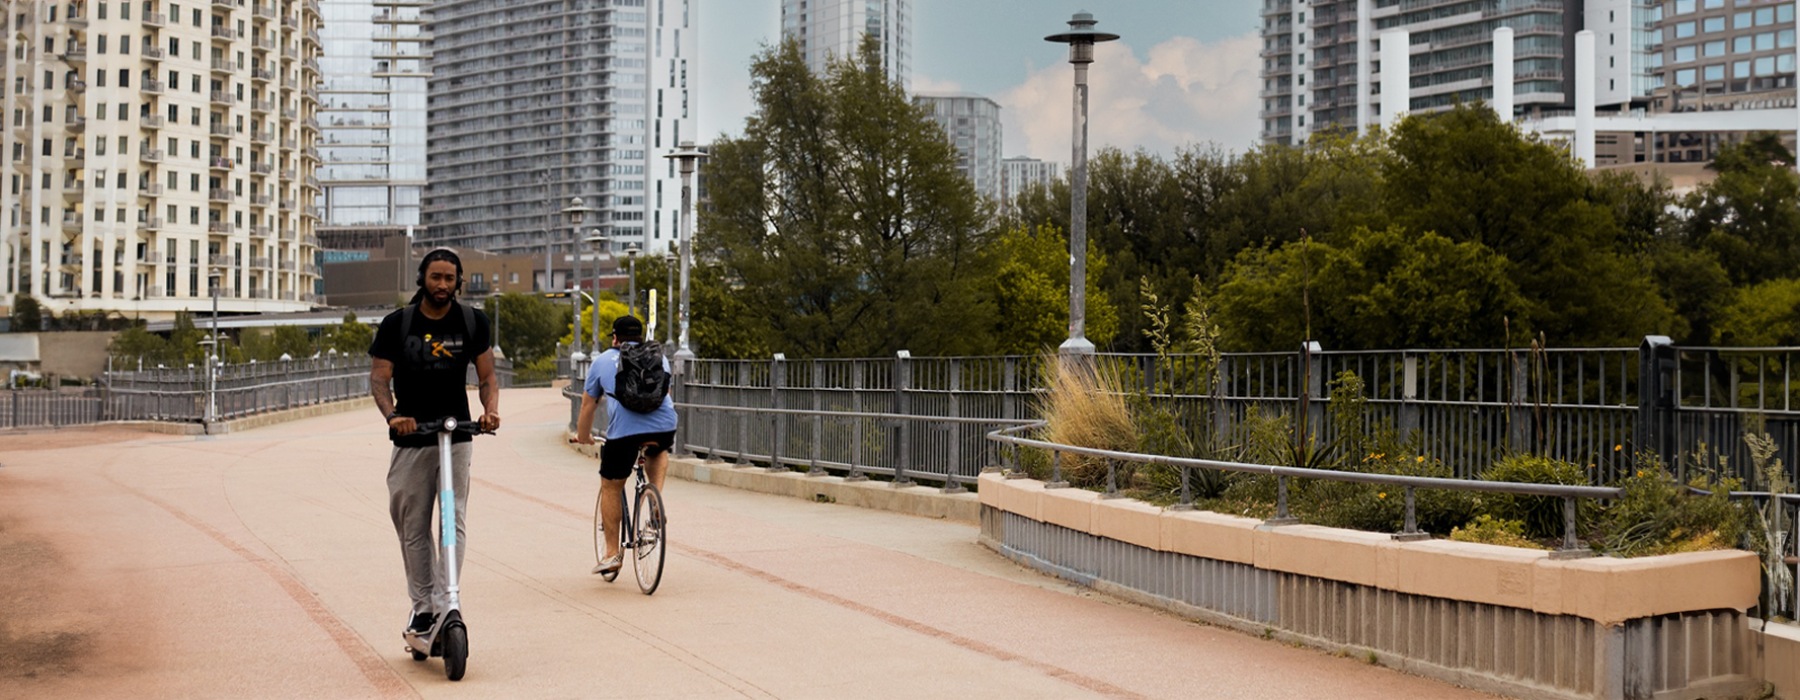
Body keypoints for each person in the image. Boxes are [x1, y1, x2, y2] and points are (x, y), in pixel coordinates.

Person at [368, 247, 500, 644]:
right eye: (435, 277)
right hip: (412, 437)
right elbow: (379, 378)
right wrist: (394, 416)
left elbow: (489, 376)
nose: (442, 285)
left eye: (449, 278)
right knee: (412, 522)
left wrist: (490, 410)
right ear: (422, 279)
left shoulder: (473, 321)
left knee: (452, 517)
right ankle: (423, 606)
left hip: (456, 432)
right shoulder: (398, 324)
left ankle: (447, 602)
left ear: (458, 282)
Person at [574, 314, 676, 575]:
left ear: (615, 338)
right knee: (658, 448)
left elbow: (588, 406)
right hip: (664, 425)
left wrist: (583, 436)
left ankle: (611, 554)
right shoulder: (658, 357)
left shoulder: (601, 362)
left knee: (611, 485)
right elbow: (664, 394)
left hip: (624, 434)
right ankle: (655, 500)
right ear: (641, 337)